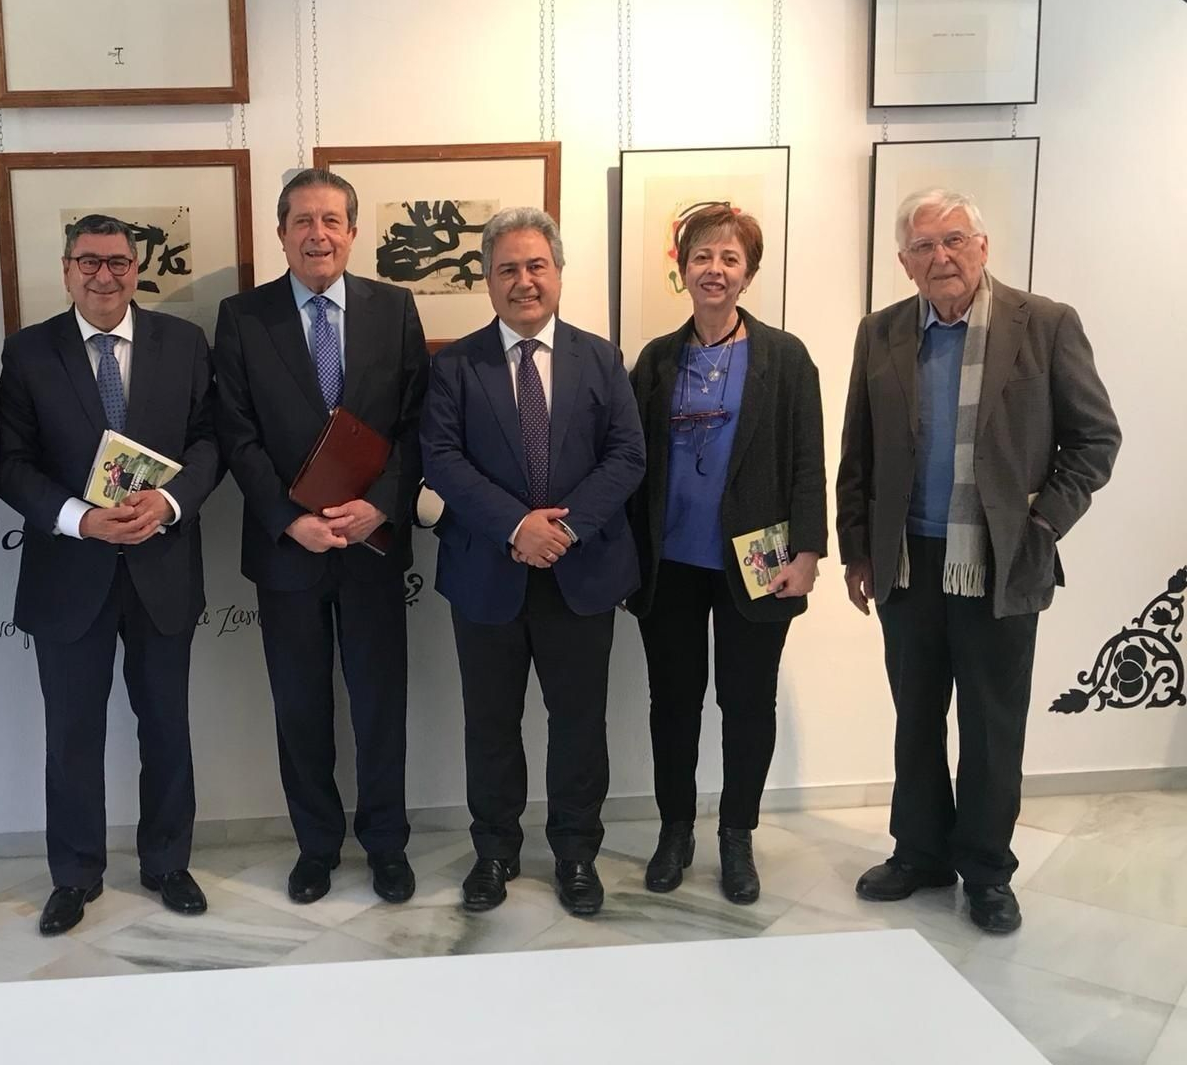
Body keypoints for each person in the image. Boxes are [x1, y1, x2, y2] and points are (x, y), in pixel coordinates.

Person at [837, 187, 1120, 934]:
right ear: (904, 262)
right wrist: (857, 550)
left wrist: (1042, 525)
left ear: (983, 246)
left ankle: (987, 870)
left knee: (994, 726)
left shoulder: (1046, 325)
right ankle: (921, 852)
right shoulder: (883, 333)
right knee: (916, 717)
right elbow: (857, 452)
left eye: (954, 240)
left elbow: (1095, 442)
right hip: (908, 563)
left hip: (1000, 563)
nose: (942, 257)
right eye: (924, 246)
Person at [0, 214, 223, 933]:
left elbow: (211, 440)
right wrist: (77, 517)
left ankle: (166, 862)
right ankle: (74, 874)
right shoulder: (29, 352)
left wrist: (170, 500)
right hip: (69, 571)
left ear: (136, 269)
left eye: (118, 262)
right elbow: (9, 461)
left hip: (162, 568)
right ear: (66, 270)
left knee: (165, 728)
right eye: (88, 262)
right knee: (71, 734)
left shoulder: (182, 343)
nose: (104, 275)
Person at [420, 207, 645, 916]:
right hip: (487, 572)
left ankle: (576, 853)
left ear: (558, 272)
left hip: (581, 574)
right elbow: (442, 460)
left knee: (580, 723)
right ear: (486, 280)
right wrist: (516, 526)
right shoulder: (456, 363)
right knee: (490, 723)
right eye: (508, 268)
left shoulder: (600, 357)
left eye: (536, 266)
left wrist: (563, 530)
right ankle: (495, 851)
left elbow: (627, 455)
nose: (524, 281)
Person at [213, 169, 428, 906]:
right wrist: (288, 519)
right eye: (302, 220)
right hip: (288, 552)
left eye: (332, 220)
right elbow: (237, 435)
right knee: (300, 706)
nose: (318, 234)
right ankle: (316, 846)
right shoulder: (243, 318)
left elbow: (416, 425)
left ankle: (387, 845)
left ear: (353, 231)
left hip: (371, 546)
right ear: (280, 233)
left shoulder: (394, 310)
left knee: (379, 705)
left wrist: (382, 506)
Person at [626, 203, 826, 905]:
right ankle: (674, 830)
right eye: (702, 256)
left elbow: (806, 459)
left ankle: (736, 836)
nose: (715, 269)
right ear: (680, 269)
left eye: (729, 258)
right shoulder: (655, 359)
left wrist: (809, 551)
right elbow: (631, 465)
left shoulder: (785, 357)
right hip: (670, 561)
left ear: (749, 272)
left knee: (747, 703)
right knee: (673, 703)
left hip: (760, 561)